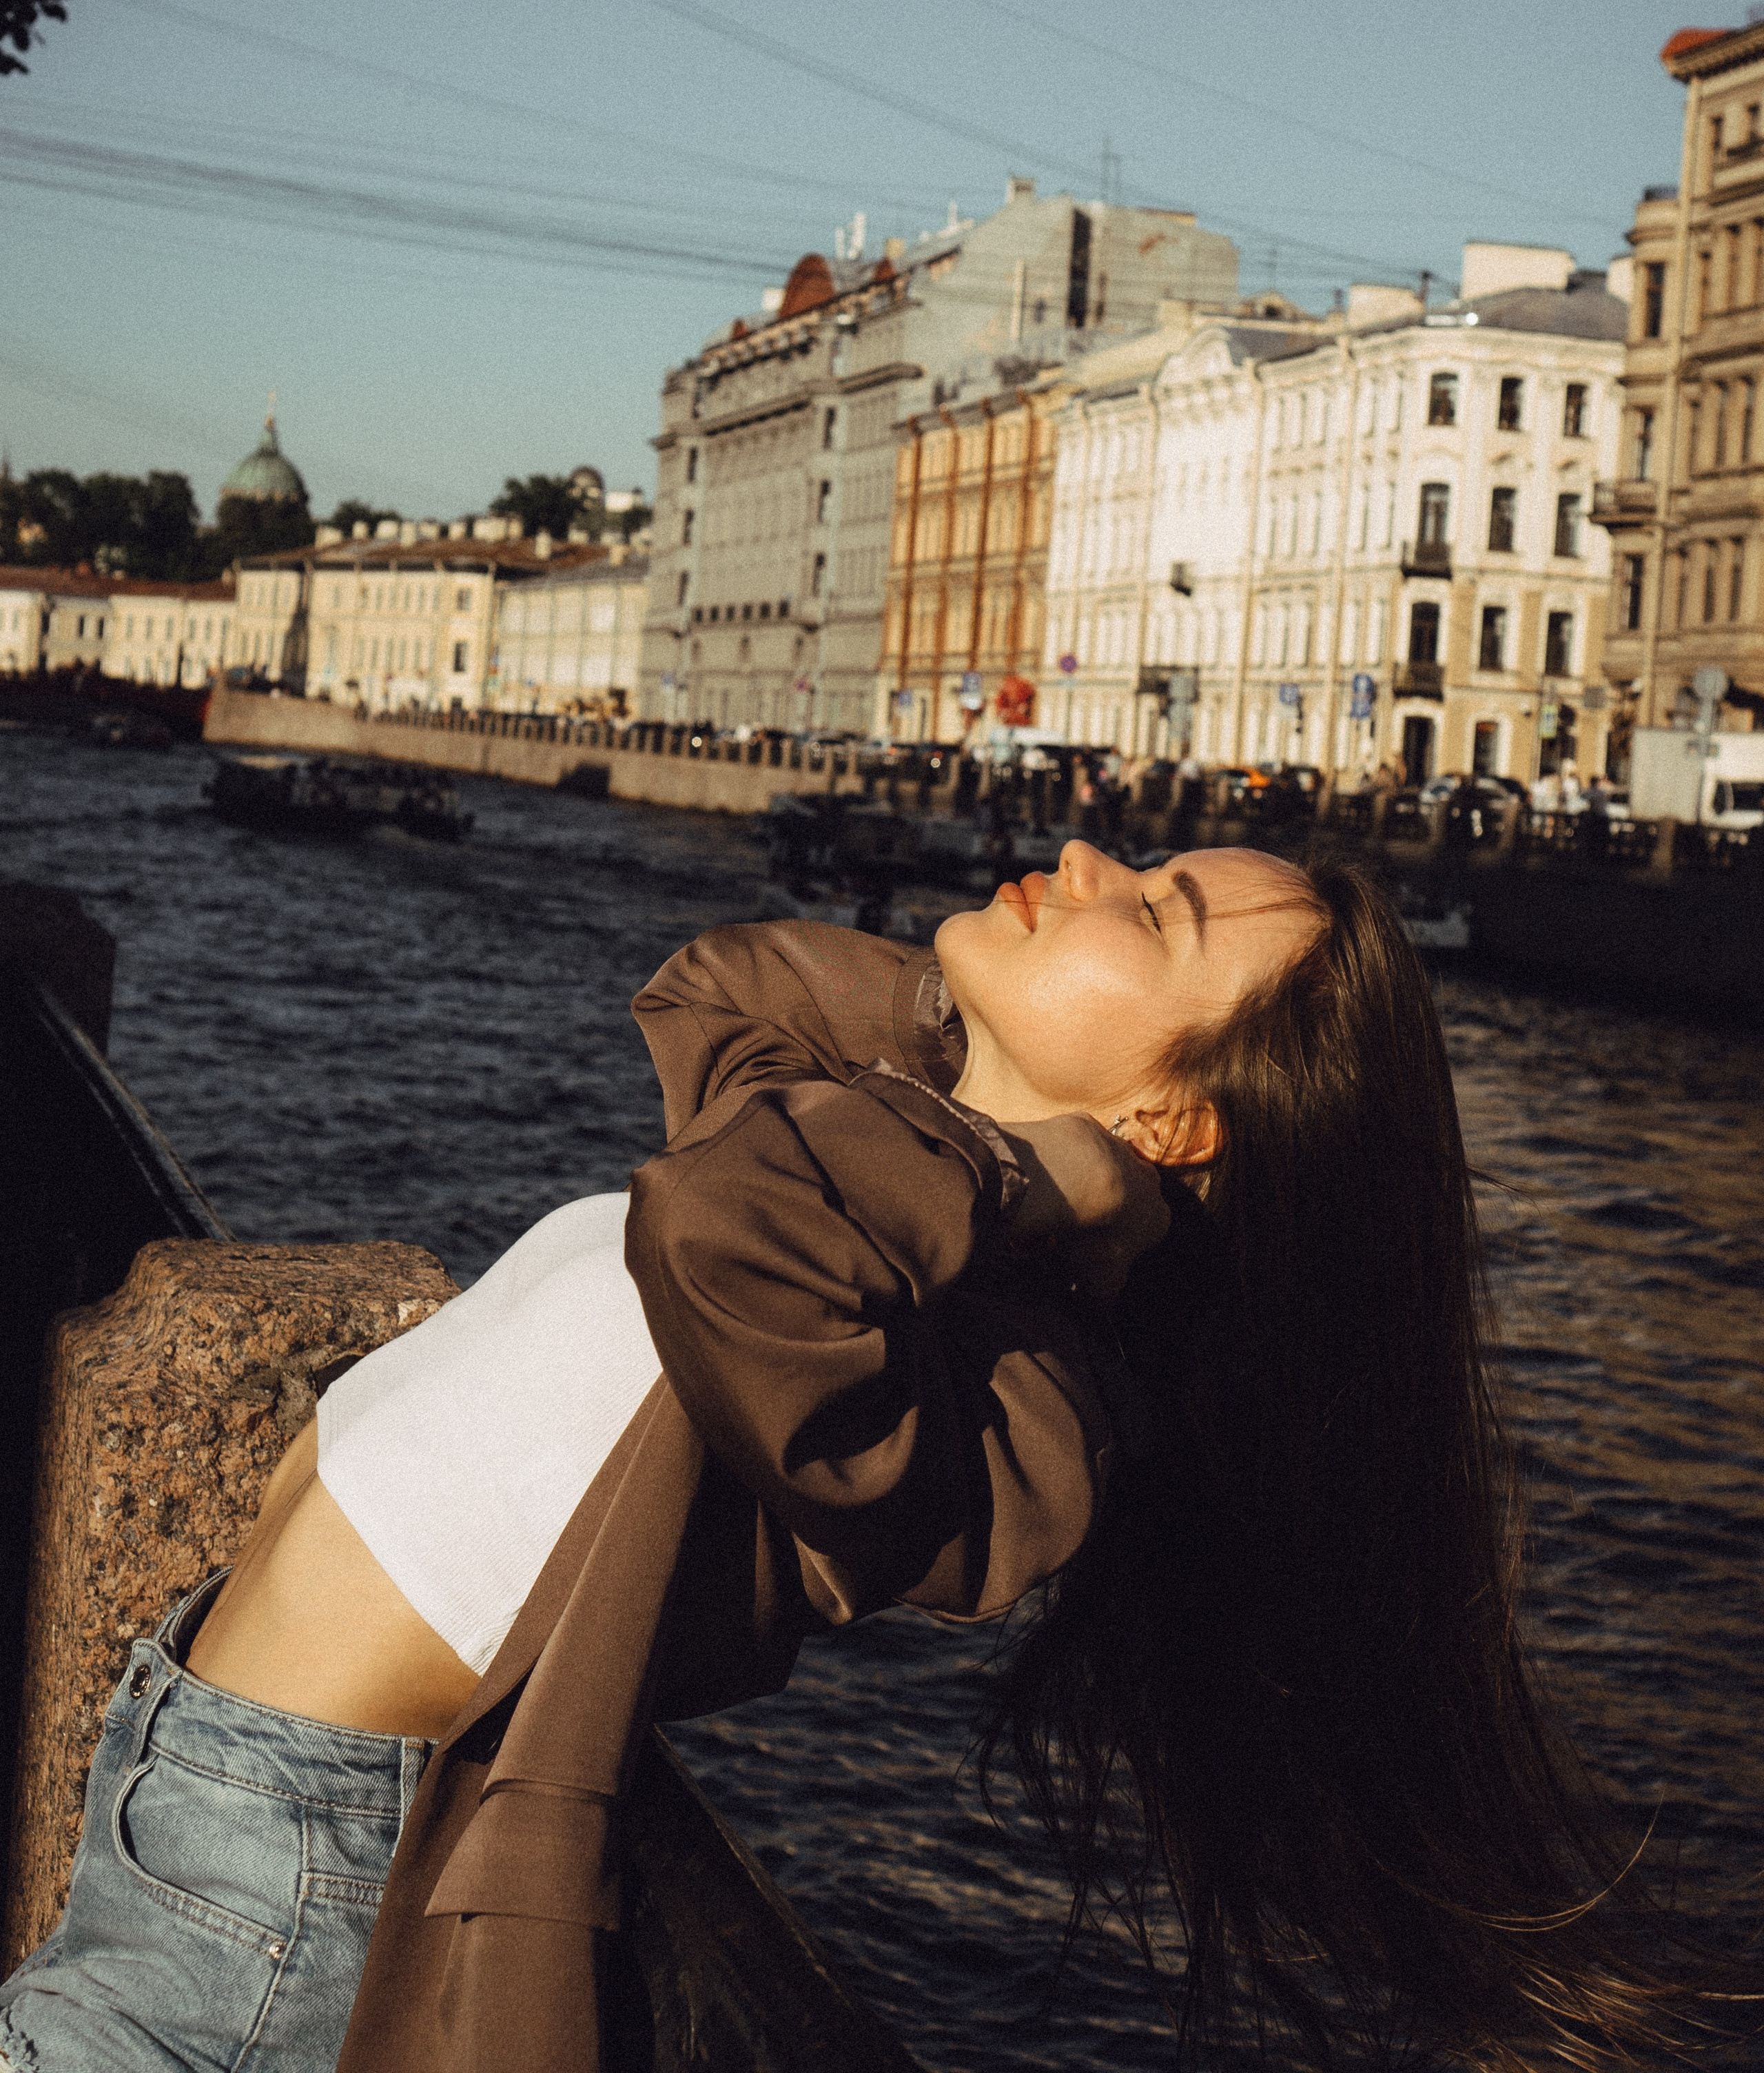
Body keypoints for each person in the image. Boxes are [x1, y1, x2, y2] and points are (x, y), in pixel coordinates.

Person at [0, 845, 1728, 2073]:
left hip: (297, 1868)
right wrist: (994, 1080)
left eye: (1154, 910)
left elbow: (728, 1235)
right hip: (202, 1772)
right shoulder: (872, 1190)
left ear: (1177, 1125)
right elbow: (719, 985)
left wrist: (1060, 1179)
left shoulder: (1015, 1397)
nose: (1078, 855)